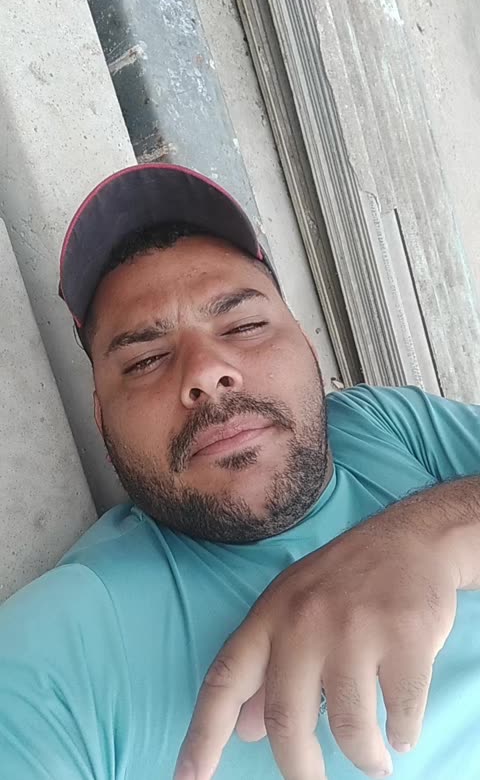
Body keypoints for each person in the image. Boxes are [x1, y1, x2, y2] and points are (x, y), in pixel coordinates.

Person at [0, 164, 479, 780]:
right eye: (145, 360)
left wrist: (429, 534)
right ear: (101, 418)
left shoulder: (382, 423)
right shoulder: (66, 648)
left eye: (245, 325)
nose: (205, 370)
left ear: (307, 344)